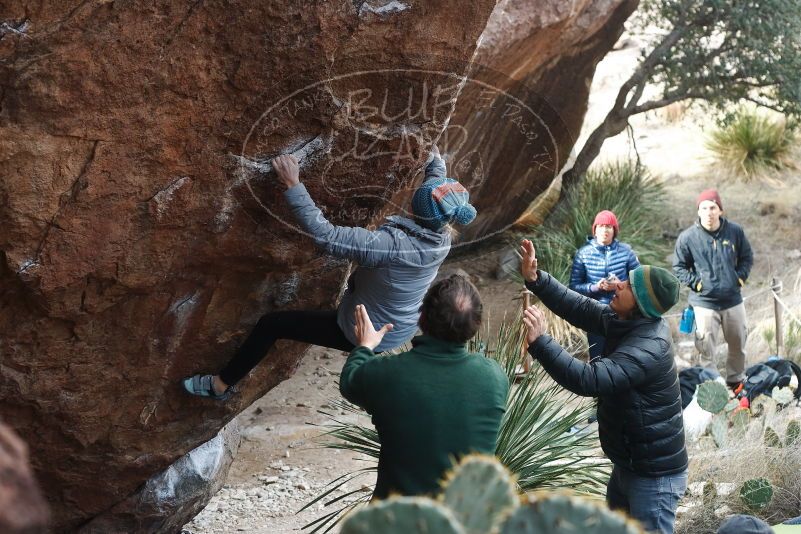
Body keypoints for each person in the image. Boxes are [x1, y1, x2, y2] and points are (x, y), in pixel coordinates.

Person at [183, 147, 477, 399]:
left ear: (418, 209)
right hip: (399, 324)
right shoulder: (441, 235)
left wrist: (292, 184)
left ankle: (220, 386)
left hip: (367, 332)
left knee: (271, 325)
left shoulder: (391, 247)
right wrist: (435, 159)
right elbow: (435, 189)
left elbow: (327, 236)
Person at [519, 239, 688, 534]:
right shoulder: (626, 320)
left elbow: (590, 379)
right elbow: (581, 307)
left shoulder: (648, 346)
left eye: (629, 286)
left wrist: (541, 342)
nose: (618, 285)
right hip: (629, 463)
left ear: (642, 305)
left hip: (653, 478)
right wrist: (537, 280)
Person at [339, 274, 509, 499]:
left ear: (422, 317)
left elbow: (350, 381)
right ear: (476, 325)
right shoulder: (494, 376)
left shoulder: (388, 373)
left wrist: (365, 346)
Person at [673, 189, 753, 392]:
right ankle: (712, 388)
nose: (708, 212)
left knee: (738, 344)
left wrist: (739, 279)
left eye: (712, 207)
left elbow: (747, 257)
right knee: (705, 350)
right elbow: (679, 267)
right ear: (698, 212)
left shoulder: (735, 231)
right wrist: (698, 284)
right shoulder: (688, 237)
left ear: (720, 211)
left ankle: (736, 383)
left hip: (733, 300)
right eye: (704, 208)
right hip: (703, 304)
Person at [570, 209, 640, 359]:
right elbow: (574, 286)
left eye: (609, 226)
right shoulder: (583, 253)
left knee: (623, 357)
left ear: (614, 230)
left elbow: (639, 280)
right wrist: (596, 287)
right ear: (595, 230)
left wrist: (619, 285)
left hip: (622, 314)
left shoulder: (626, 251)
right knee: (597, 358)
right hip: (595, 313)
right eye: (600, 226)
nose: (604, 230)